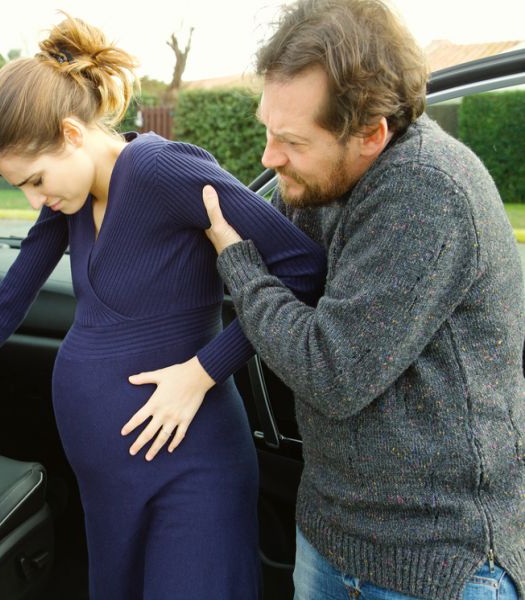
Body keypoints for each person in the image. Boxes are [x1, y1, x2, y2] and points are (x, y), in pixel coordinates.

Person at [0, 14, 326, 600]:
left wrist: (201, 373)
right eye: (24, 189)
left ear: (70, 133)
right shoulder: (68, 201)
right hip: (110, 479)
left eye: (35, 180)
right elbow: (5, 303)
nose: (36, 198)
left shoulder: (159, 169)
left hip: (189, 464)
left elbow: (301, 265)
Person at [198, 0, 525, 598]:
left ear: (372, 134)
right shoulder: (322, 176)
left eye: (290, 141)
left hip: (435, 567)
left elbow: (332, 371)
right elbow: (269, 251)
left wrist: (238, 263)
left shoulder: (427, 191)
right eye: (267, 129)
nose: (270, 158)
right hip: (331, 534)